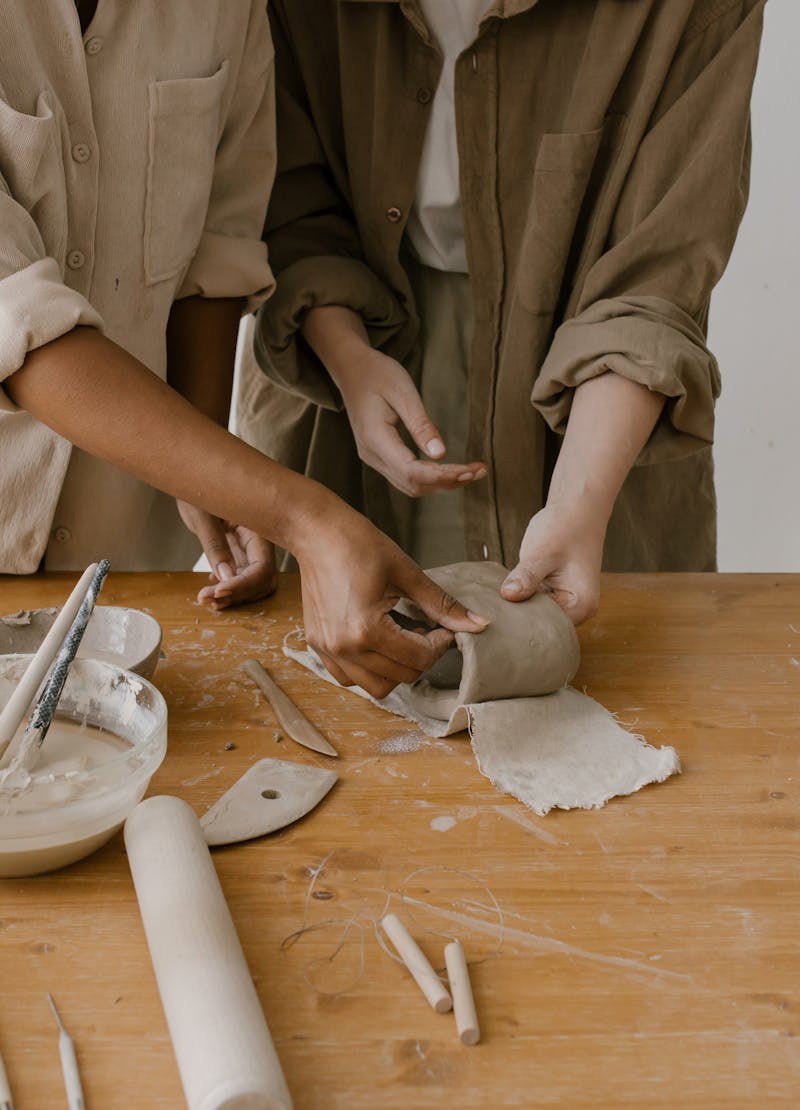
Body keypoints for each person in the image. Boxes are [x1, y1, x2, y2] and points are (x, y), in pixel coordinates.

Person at [0, 0, 486, 700]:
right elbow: (24, 328)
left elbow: (216, 248)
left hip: (130, 571)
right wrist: (306, 520)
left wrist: (203, 481)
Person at [239, 0, 766, 624]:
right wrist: (349, 356)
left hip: (602, 408)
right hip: (336, 366)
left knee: (618, 686)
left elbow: (658, 270)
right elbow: (286, 202)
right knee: (337, 682)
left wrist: (581, 498)